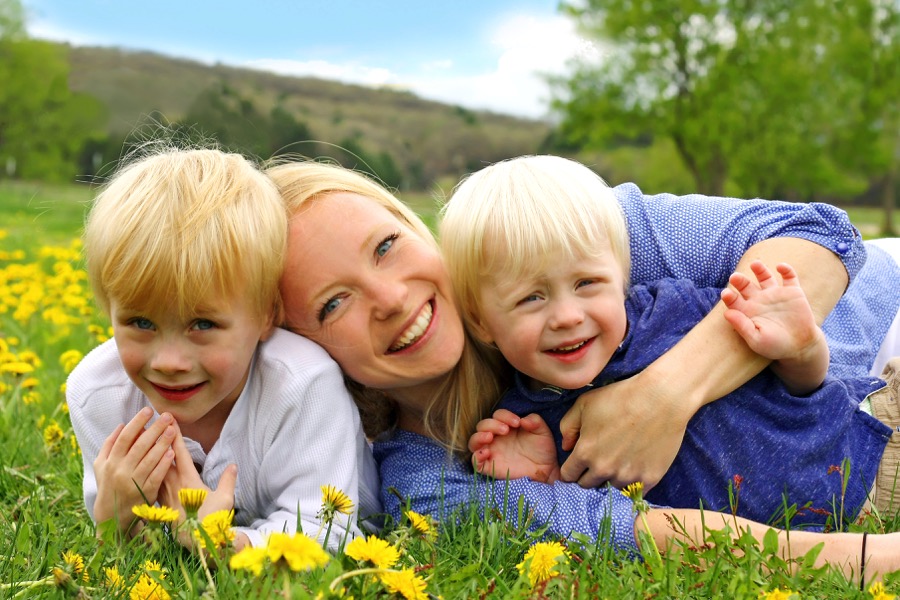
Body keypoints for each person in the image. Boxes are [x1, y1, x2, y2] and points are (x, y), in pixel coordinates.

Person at [268, 158, 900, 583]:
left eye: (385, 246)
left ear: (414, 228)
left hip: (879, 318)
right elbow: (628, 531)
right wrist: (863, 560)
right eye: (333, 303)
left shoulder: (554, 232)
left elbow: (817, 232)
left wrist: (665, 394)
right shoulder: (427, 479)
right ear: (301, 351)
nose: (391, 299)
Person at [439, 154, 900, 527]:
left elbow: (804, 385)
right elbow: (595, 508)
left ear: (623, 275)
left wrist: (800, 349)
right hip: (821, 517)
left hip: (870, 454)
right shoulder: (528, 420)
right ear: (482, 323)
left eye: (586, 284)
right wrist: (543, 475)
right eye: (530, 298)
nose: (566, 316)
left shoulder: (673, 311)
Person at [67, 146, 381, 552]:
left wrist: (220, 543)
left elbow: (329, 532)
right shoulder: (98, 394)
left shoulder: (301, 383)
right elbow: (122, 534)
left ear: (267, 315)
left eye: (203, 325)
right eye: (140, 323)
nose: (168, 363)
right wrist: (119, 521)